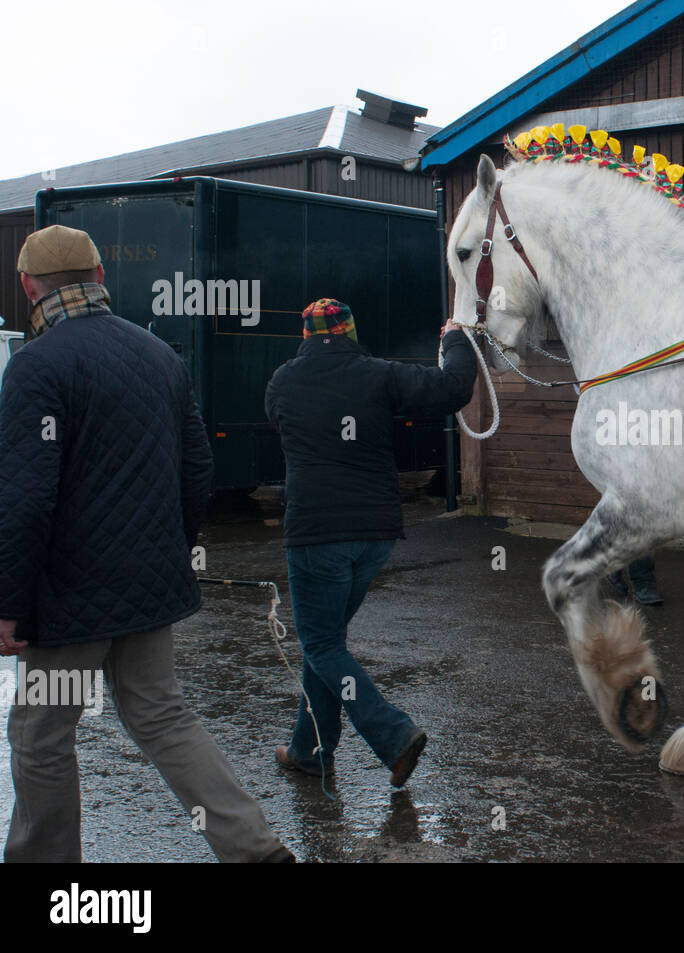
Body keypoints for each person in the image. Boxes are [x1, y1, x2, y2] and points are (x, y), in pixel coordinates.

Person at [0, 225, 293, 863]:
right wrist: (170, 554)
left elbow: (26, 499)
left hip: (68, 602)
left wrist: (9, 603)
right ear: (100, 277)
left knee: (42, 736)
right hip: (147, 589)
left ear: (28, 287)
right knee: (163, 717)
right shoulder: (160, 357)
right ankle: (255, 850)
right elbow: (198, 473)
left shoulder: (35, 366)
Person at [265, 298, 475, 788]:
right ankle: (309, 750)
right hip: (376, 535)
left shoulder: (282, 382)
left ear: (305, 335)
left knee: (320, 643)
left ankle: (393, 735)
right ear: (350, 331)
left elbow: (280, 423)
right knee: (327, 644)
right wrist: (455, 338)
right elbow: (452, 389)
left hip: (317, 534)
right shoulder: (380, 374)